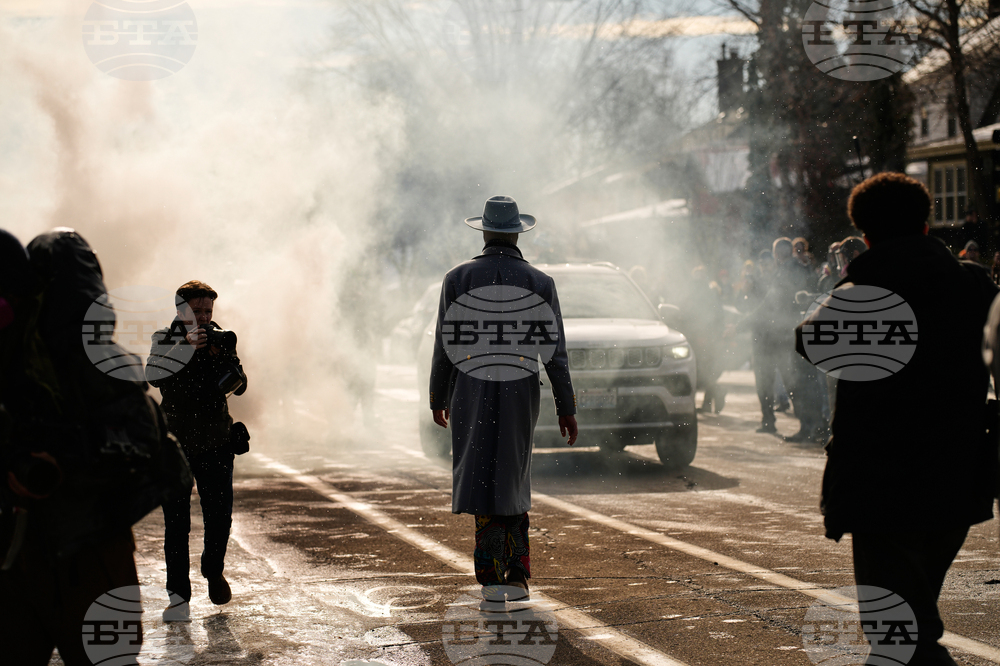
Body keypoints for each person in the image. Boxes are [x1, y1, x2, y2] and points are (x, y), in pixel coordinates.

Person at [797, 173, 998, 666]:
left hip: (881, 482)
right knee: (914, 619)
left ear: (865, 234)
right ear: (927, 225)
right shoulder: (972, 283)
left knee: (901, 638)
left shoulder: (863, 288)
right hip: (956, 474)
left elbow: (808, 343)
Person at [1, 228, 191, 665]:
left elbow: (144, 438)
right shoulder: (15, 359)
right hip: (23, 557)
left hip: (89, 551)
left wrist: (62, 461)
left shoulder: (90, 360)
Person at [429, 196, 578, 609]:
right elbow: (556, 352)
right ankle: (517, 572)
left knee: (481, 476)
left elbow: (445, 345)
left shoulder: (457, 280)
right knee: (513, 474)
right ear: (516, 234)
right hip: (519, 390)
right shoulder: (540, 283)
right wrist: (567, 406)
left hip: (470, 390)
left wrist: (437, 395)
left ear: (484, 232)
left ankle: (492, 579)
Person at [147, 281, 247, 621]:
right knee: (176, 525)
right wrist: (185, 348)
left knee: (219, 518)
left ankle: (213, 570)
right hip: (176, 445)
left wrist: (223, 360)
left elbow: (241, 384)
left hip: (216, 443)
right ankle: (178, 598)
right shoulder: (165, 338)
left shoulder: (220, 338)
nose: (204, 318)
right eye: (197, 312)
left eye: (208, 312)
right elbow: (152, 376)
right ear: (181, 311)